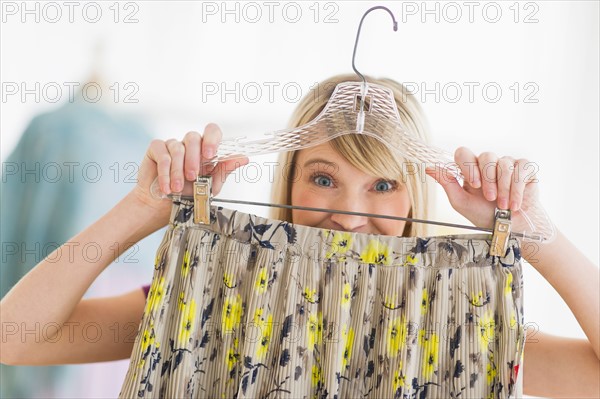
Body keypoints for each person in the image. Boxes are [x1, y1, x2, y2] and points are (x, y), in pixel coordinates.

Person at [1, 74, 598, 397]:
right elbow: (13, 339)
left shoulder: (463, 318)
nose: (349, 211)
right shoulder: (212, 292)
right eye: (323, 178)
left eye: (383, 186)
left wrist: (536, 237)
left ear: (417, 195)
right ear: (288, 177)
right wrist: (139, 209)